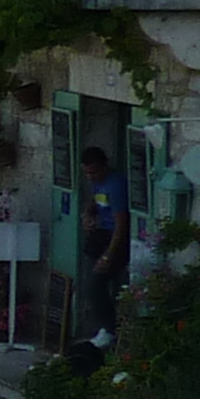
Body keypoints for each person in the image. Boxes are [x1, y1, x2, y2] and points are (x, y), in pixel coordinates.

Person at [80, 144, 131, 343]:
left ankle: (111, 329)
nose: (90, 177)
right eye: (87, 173)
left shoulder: (115, 185)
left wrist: (109, 254)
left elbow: (121, 223)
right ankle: (107, 327)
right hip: (101, 235)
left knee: (95, 287)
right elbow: (94, 201)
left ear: (104, 167)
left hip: (115, 240)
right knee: (92, 286)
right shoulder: (98, 183)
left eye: (93, 172)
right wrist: (88, 214)